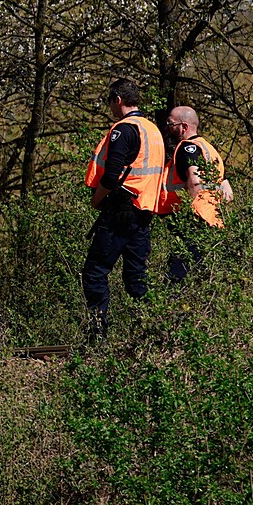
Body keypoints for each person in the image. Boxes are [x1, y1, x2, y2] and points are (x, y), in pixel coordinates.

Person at [82, 78, 166, 340]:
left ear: (117, 100)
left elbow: (112, 174)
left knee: (95, 272)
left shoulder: (124, 129)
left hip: (120, 210)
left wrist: (97, 200)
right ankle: (151, 334)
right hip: (143, 212)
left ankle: (97, 335)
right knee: (136, 278)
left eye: (110, 101)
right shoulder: (153, 130)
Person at [160, 105, 231, 282]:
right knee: (201, 276)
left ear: (183, 127)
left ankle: (173, 309)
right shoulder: (209, 150)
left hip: (194, 220)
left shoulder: (186, 148)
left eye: (170, 123)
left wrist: (187, 213)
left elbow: (194, 180)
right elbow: (228, 193)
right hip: (213, 220)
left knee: (177, 278)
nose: (168, 127)